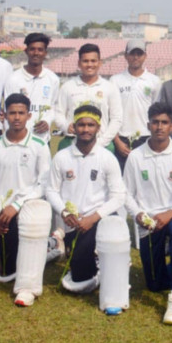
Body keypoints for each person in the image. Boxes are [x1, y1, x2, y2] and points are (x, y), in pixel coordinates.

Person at [125, 102, 172, 324]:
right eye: (155, 122)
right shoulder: (136, 156)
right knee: (154, 285)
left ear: (171, 126)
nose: (159, 127)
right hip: (149, 220)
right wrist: (138, 214)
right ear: (148, 125)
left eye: (164, 123)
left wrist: (171, 212)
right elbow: (126, 194)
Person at [47, 105, 125, 295]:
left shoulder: (107, 158)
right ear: (74, 126)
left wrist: (93, 218)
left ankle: (102, 256)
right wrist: (64, 212)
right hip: (72, 221)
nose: (86, 129)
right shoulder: (61, 157)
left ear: (98, 128)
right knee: (79, 275)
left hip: (98, 219)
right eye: (81, 125)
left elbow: (118, 196)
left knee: (81, 272)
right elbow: (51, 189)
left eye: (91, 125)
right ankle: (93, 258)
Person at [0, 93, 51, 305]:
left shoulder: (39, 145)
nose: (17, 117)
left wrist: (18, 205)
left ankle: (44, 247)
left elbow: (43, 184)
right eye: (12, 113)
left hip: (28, 209)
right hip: (2, 213)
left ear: (29, 115)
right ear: (4, 115)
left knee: (26, 250)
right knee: (8, 270)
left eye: (21, 113)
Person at [53, 43, 123, 151]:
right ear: (79, 63)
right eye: (85, 61)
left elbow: (116, 119)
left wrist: (102, 141)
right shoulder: (68, 87)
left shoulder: (109, 88)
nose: (89, 65)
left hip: (101, 143)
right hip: (72, 142)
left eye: (93, 61)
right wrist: (66, 126)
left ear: (100, 63)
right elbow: (58, 113)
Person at [111, 39, 162, 171]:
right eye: (132, 53)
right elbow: (111, 113)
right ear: (125, 56)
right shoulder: (115, 80)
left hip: (145, 138)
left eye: (139, 54)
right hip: (121, 139)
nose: (135, 57)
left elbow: (156, 114)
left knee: (144, 179)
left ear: (145, 56)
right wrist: (117, 141)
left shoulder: (154, 81)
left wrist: (153, 140)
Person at [3, 32, 60, 143]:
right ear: (26, 51)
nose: (36, 53)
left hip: (42, 140)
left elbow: (54, 107)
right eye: (32, 49)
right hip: (18, 139)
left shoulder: (53, 79)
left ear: (45, 53)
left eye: (40, 50)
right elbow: (7, 110)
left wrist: (47, 121)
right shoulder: (13, 79)